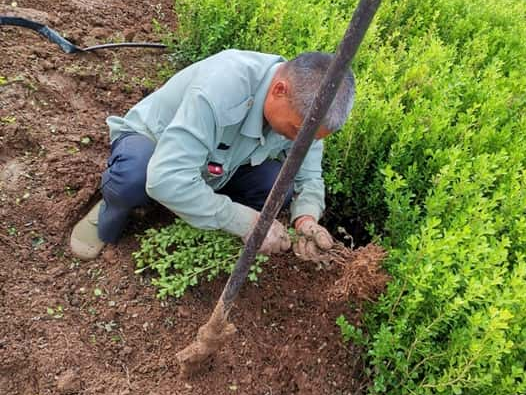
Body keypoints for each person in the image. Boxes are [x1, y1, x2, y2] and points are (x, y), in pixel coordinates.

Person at [69, 49, 355, 263]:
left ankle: (201, 216)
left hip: (221, 166)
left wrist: (306, 218)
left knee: (277, 187)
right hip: (157, 147)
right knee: (135, 176)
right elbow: (165, 178)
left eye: (310, 139)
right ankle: (111, 208)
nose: (298, 141)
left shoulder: (308, 114)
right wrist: (244, 221)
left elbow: (309, 175)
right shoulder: (222, 87)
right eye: (295, 131)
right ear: (280, 90)